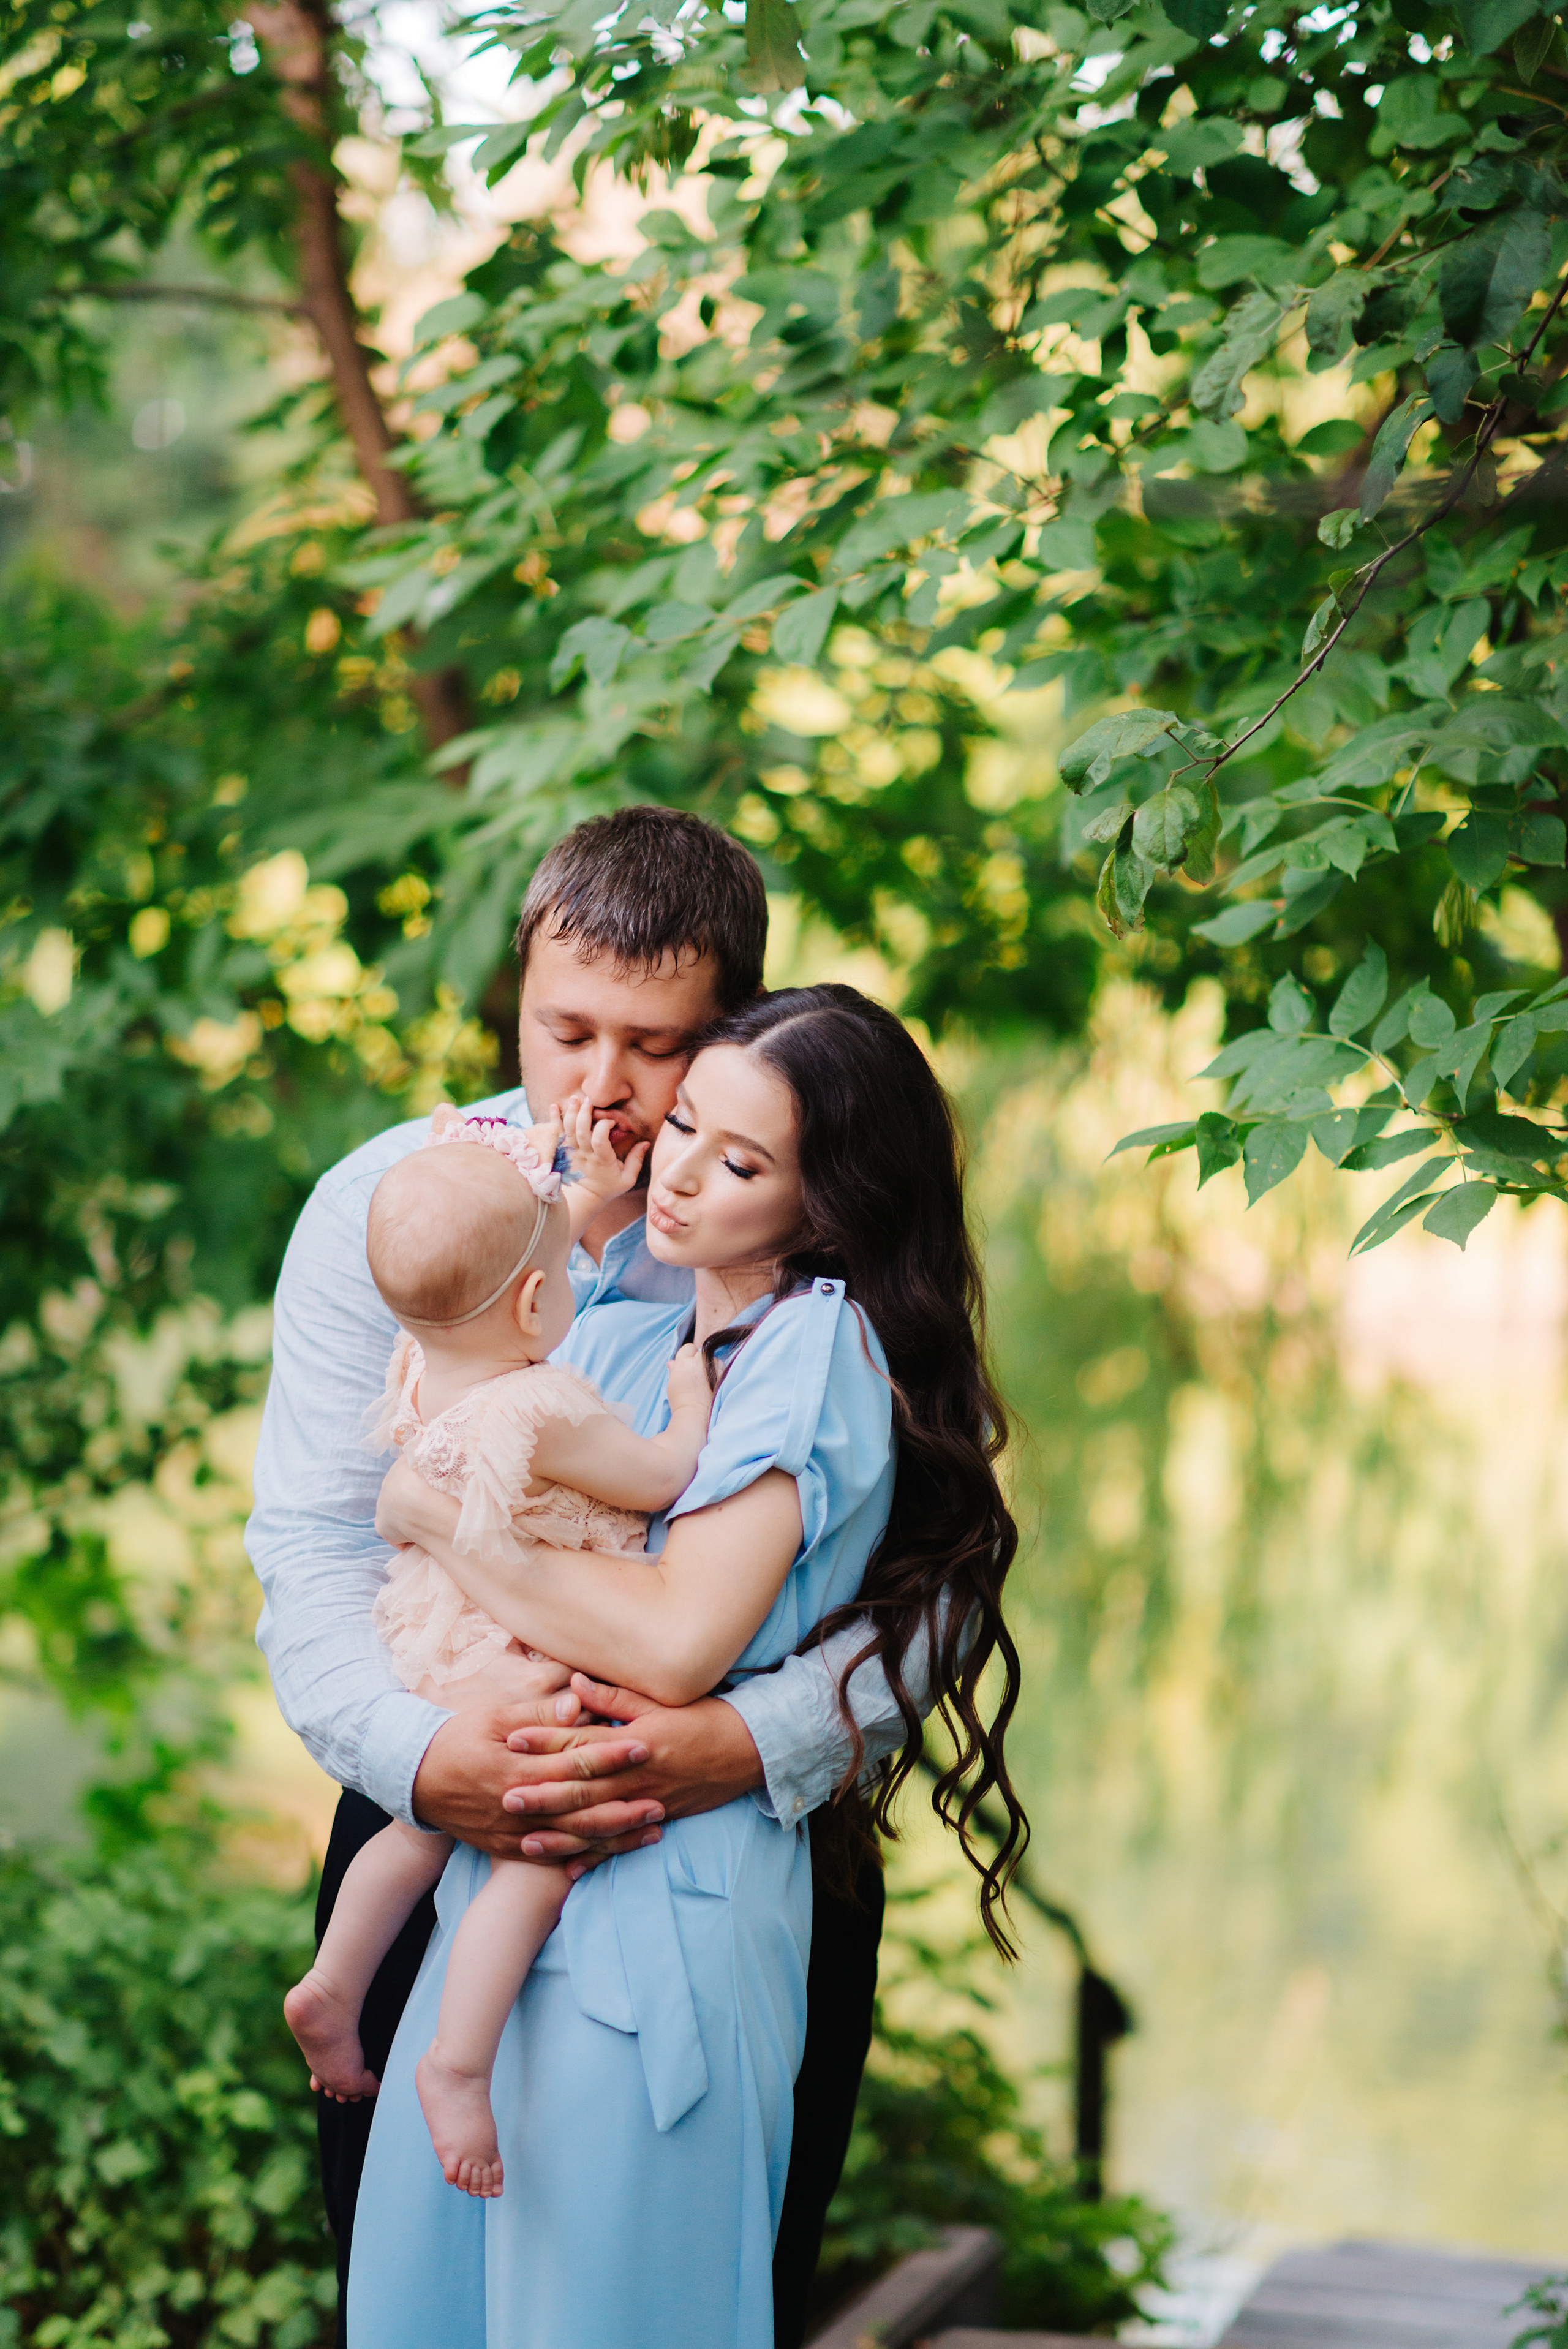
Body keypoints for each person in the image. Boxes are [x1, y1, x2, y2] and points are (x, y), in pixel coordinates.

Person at [247, 809, 940, 2347]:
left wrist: (745, 1740)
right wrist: (433, 1759)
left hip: (733, 1838)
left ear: (735, 1027)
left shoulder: (819, 1234)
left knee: (686, 2287)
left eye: (656, 1046)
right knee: (419, 2286)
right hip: (442, 1796)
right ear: (519, 994)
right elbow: (311, 1546)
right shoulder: (394, 1208)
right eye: (566, 1031)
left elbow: (933, 1593)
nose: (603, 1087)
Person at [350, 984, 1026, 2348]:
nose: (680, 1172)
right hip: (508, 1883)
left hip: (665, 1884)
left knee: (609, 2310)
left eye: (743, 1163)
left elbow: (674, 1642)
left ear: (825, 1201)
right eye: (687, 1129)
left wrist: (448, 1528)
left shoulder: (811, 1345)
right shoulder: (614, 1332)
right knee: (431, 2311)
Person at [282, 1109, 715, 2198]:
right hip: (509, 1651)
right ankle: (458, 2061)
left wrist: (575, 1196)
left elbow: (509, 1270)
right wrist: (691, 1400)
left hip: (428, 1640)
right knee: (537, 1856)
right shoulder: (543, 1407)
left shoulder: (420, 1364)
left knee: (417, 1829)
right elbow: (662, 1476)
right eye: (561, 1274)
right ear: (533, 1302)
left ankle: (335, 1981)